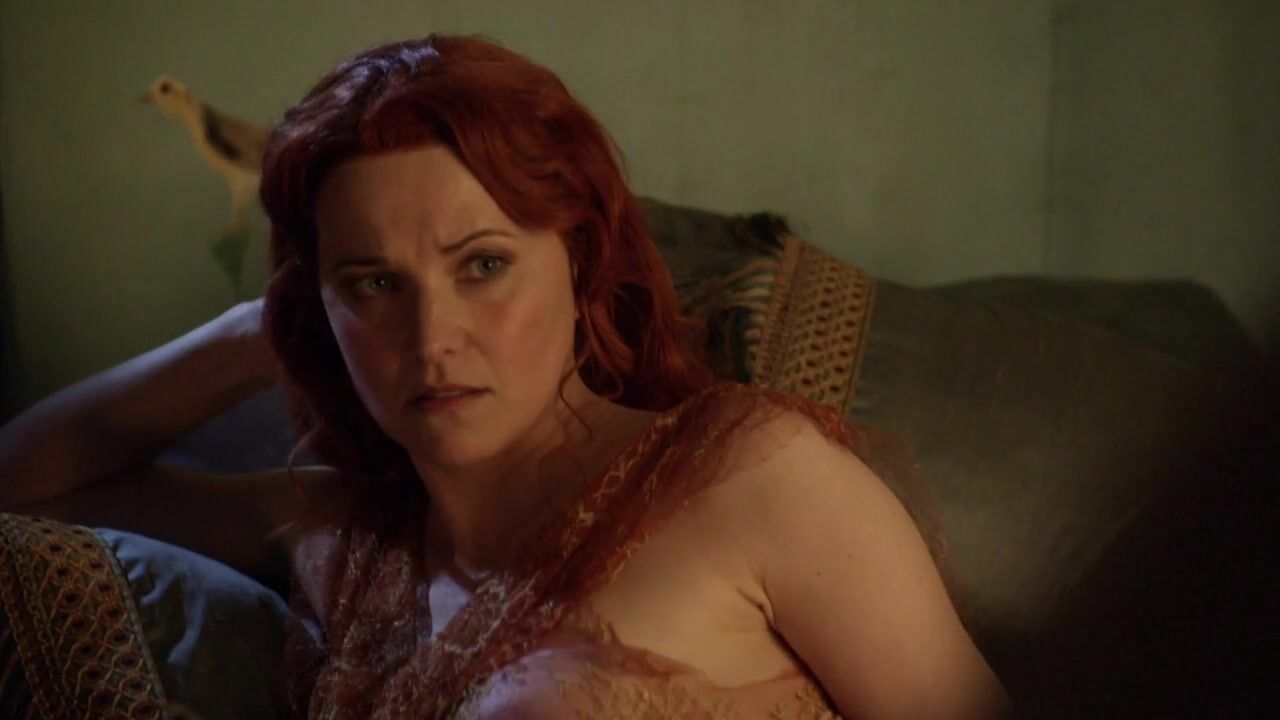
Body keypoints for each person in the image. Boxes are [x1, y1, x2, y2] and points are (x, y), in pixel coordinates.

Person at [0, 35, 1010, 719]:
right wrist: (262, 328)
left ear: (579, 263)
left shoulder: (751, 477)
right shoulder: (340, 533)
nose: (432, 336)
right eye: (374, 283)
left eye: (482, 265)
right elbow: (22, 489)